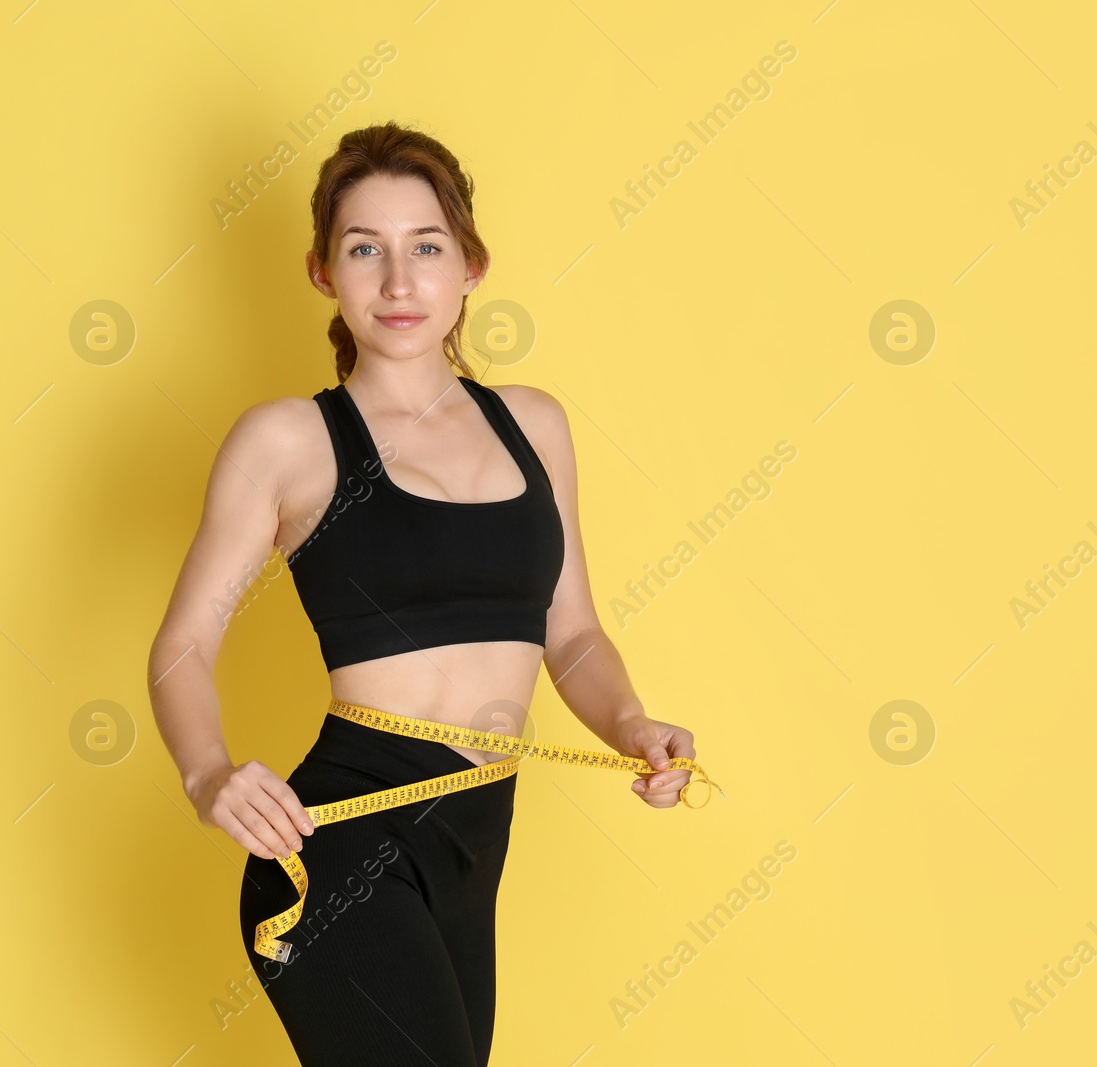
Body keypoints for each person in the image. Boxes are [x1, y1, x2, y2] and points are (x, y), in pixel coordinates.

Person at [147, 121, 704, 1067]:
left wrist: (632, 724)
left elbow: (570, 633)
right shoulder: (287, 441)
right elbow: (183, 646)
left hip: (474, 843)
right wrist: (209, 774)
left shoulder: (534, 424)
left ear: (471, 266)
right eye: (365, 249)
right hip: (336, 844)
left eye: (426, 248)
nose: (399, 283)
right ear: (324, 272)